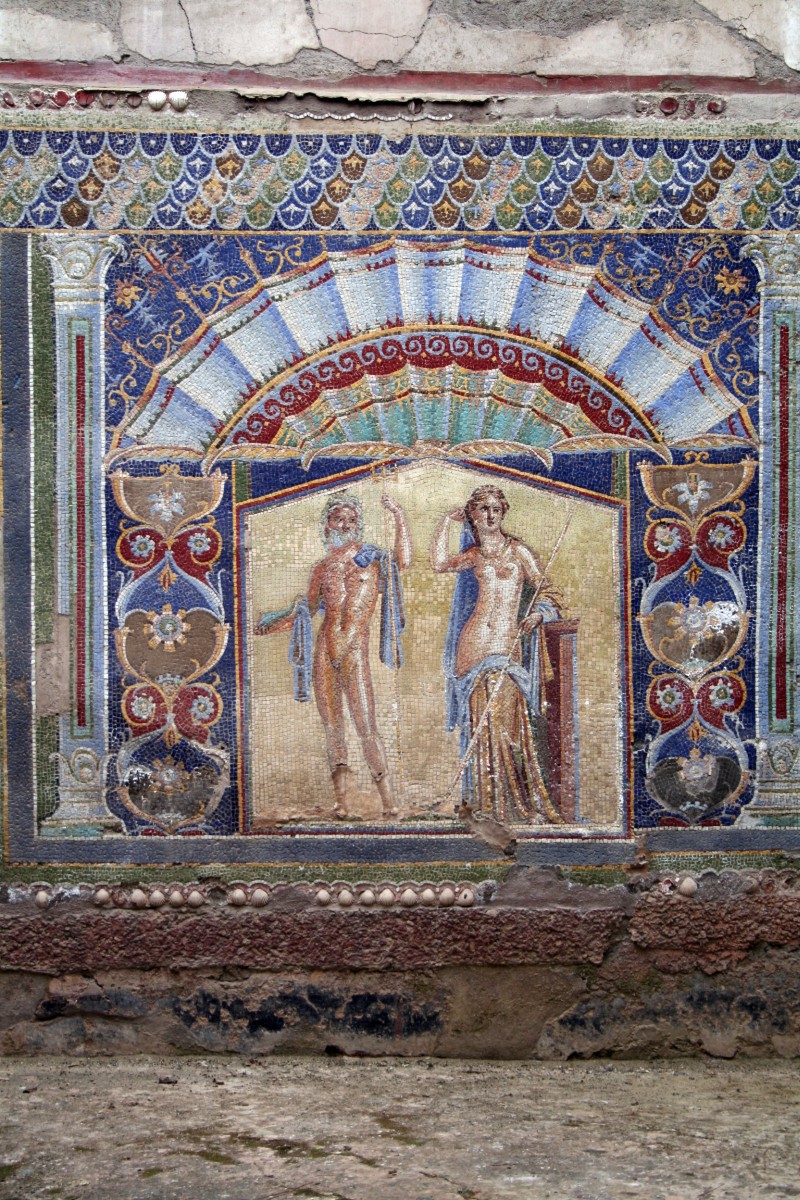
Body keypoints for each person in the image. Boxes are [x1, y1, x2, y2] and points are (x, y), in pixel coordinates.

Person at [256, 492, 411, 819]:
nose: (345, 524)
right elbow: (308, 610)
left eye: (352, 520)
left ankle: (388, 803)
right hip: (325, 649)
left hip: (354, 648)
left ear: (359, 525)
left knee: (366, 725)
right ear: (327, 525)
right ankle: (342, 802)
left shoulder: (373, 559)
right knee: (333, 727)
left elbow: (403, 561)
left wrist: (397, 515)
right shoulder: (322, 568)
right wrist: (268, 626)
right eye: (339, 518)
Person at [429, 484, 564, 825]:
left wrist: (540, 613)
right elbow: (440, 563)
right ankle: (488, 805)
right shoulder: (474, 555)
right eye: (482, 510)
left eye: (495, 509)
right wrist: (445, 521)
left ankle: (514, 803)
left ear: (503, 512)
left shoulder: (518, 551)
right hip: (473, 645)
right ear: (473, 516)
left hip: (505, 645)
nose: (489, 515)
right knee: (482, 726)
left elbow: (548, 588)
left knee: (506, 727)